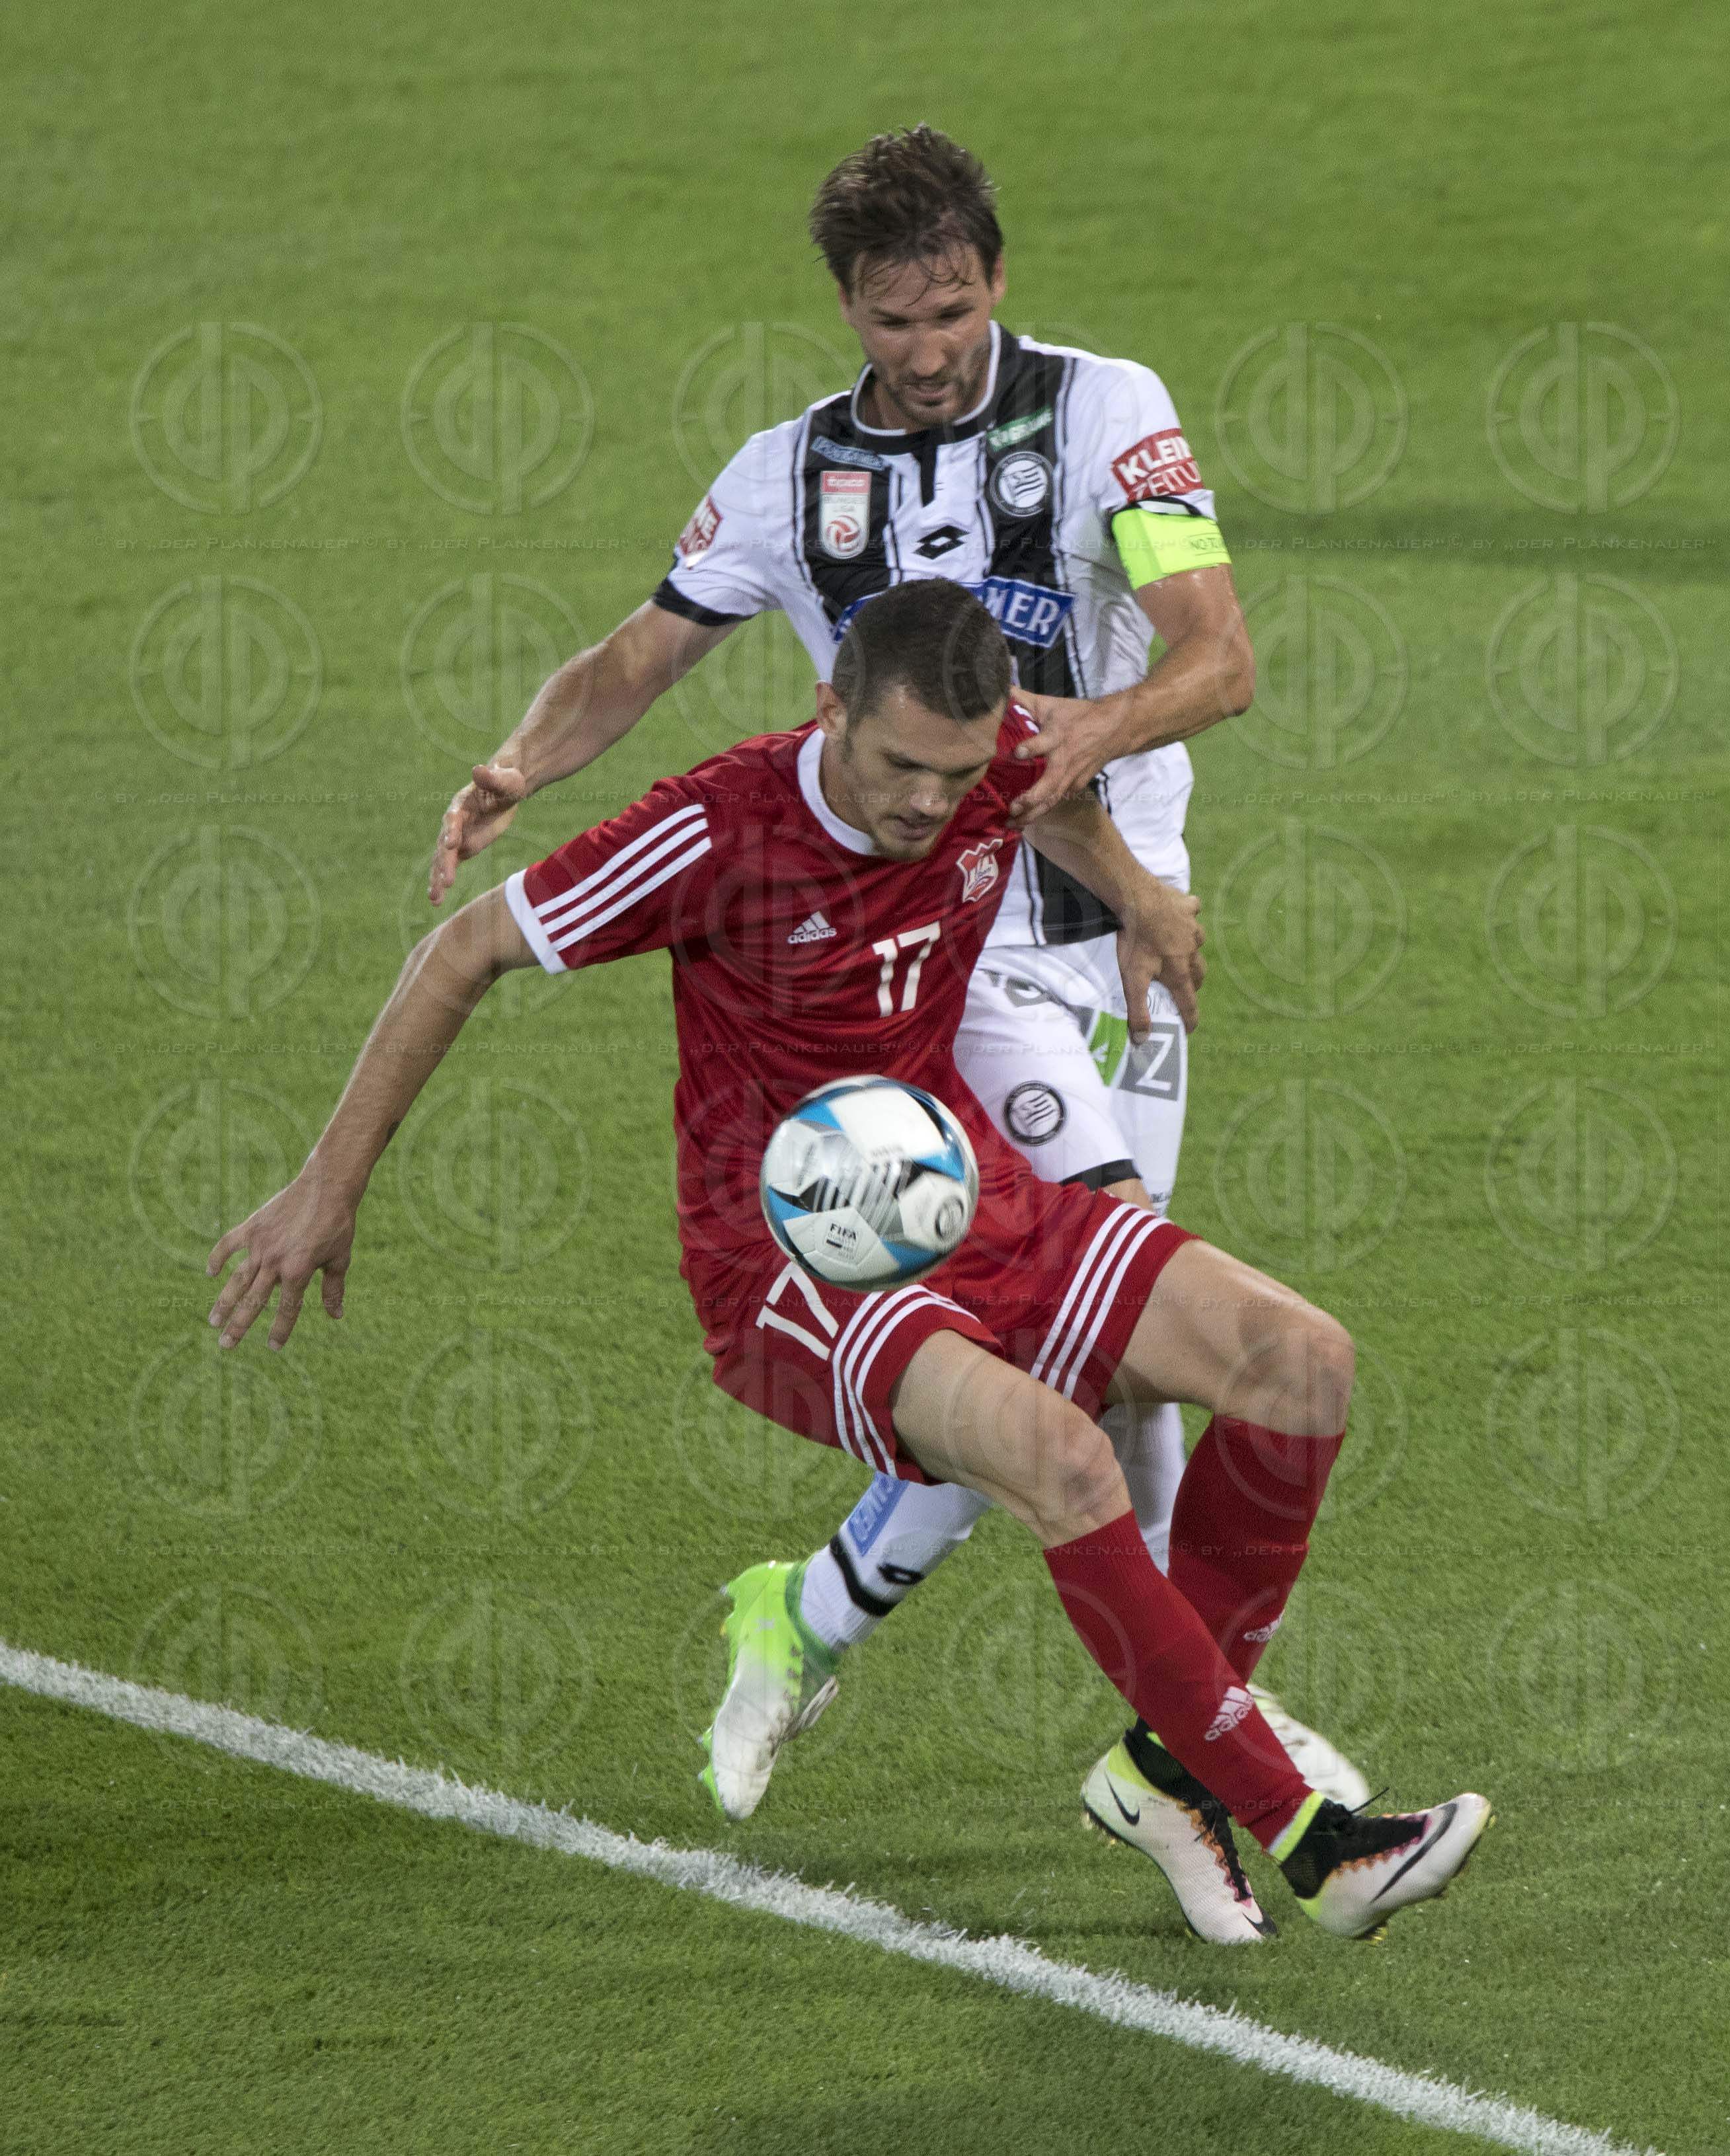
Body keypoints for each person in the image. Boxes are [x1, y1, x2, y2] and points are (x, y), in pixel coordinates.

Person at [216, 581, 1490, 1944]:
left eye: (955, 772)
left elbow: (1050, 795)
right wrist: (329, 1183)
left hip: (956, 1186)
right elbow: (463, 946)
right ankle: (1315, 1842)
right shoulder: (715, 828)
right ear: (828, 707)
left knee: (1300, 1360)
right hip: (783, 1255)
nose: (928, 802)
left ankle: (1167, 1773)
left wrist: (1135, 896)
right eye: (898, 766)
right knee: (1065, 1459)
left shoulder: (994, 755)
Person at [424, 128, 1369, 1902]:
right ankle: (1201, 1751)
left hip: (1115, 917)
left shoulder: (1104, 412)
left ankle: (817, 1615)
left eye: (950, 312)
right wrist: (515, 762)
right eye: (889, 320)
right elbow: (640, 653)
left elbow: (1218, 656)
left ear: (995, 280)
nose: (926, 351)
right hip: (948, 949)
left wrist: (1092, 763)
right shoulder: (789, 476)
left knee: (1093, 1352)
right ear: (844, 307)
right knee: (1100, 1321)